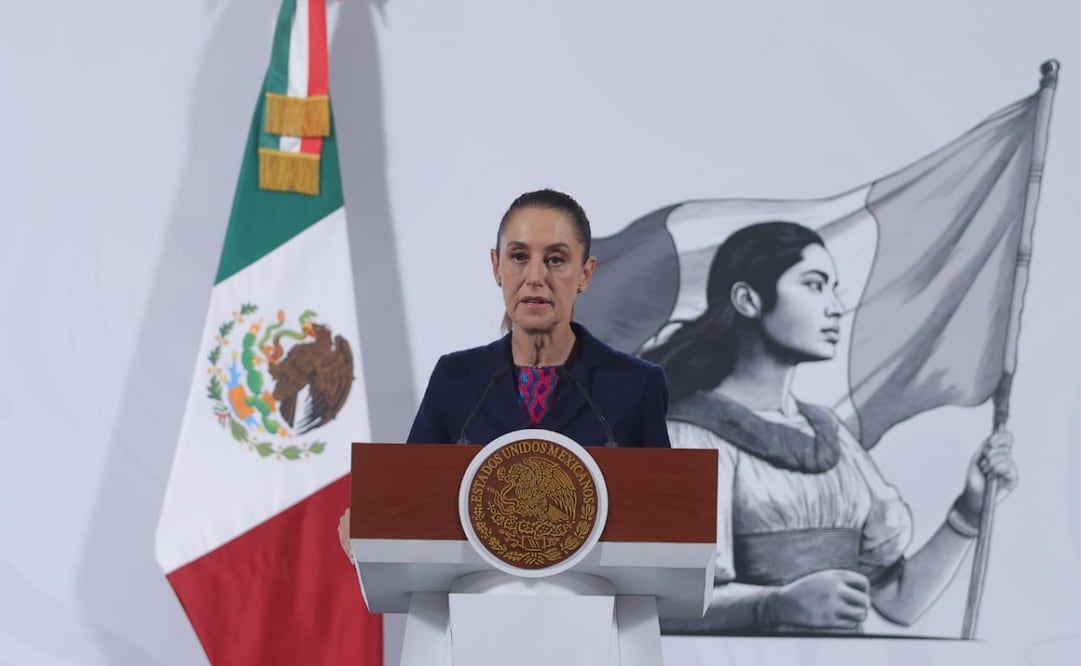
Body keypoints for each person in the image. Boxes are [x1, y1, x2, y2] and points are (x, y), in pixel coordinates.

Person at [643, 221, 1018, 635]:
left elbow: (898, 601)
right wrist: (775, 605)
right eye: (815, 285)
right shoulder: (683, 436)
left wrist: (969, 510)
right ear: (748, 300)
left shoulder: (832, 435)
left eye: (832, 287)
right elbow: (662, 606)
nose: (836, 306)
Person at [338, 188, 672, 558]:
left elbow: (668, 524)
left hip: (594, 607)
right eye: (519, 256)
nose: (534, 277)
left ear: (586, 273)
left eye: (556, 260)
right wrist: (372, 523)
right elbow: (411, 501)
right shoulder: (456, 379)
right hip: (476, 604)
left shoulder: (635, 385)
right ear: (497, 267)